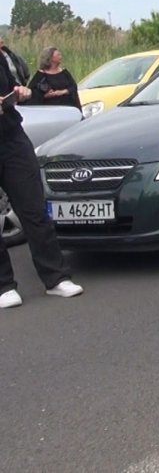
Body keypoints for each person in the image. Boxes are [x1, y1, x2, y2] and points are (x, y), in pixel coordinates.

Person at [1, 57, 84, 309]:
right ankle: (4, 286)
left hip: (12, 139)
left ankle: (55, 278)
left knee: (34, 210)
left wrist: (19, 92)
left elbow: (12, 85)